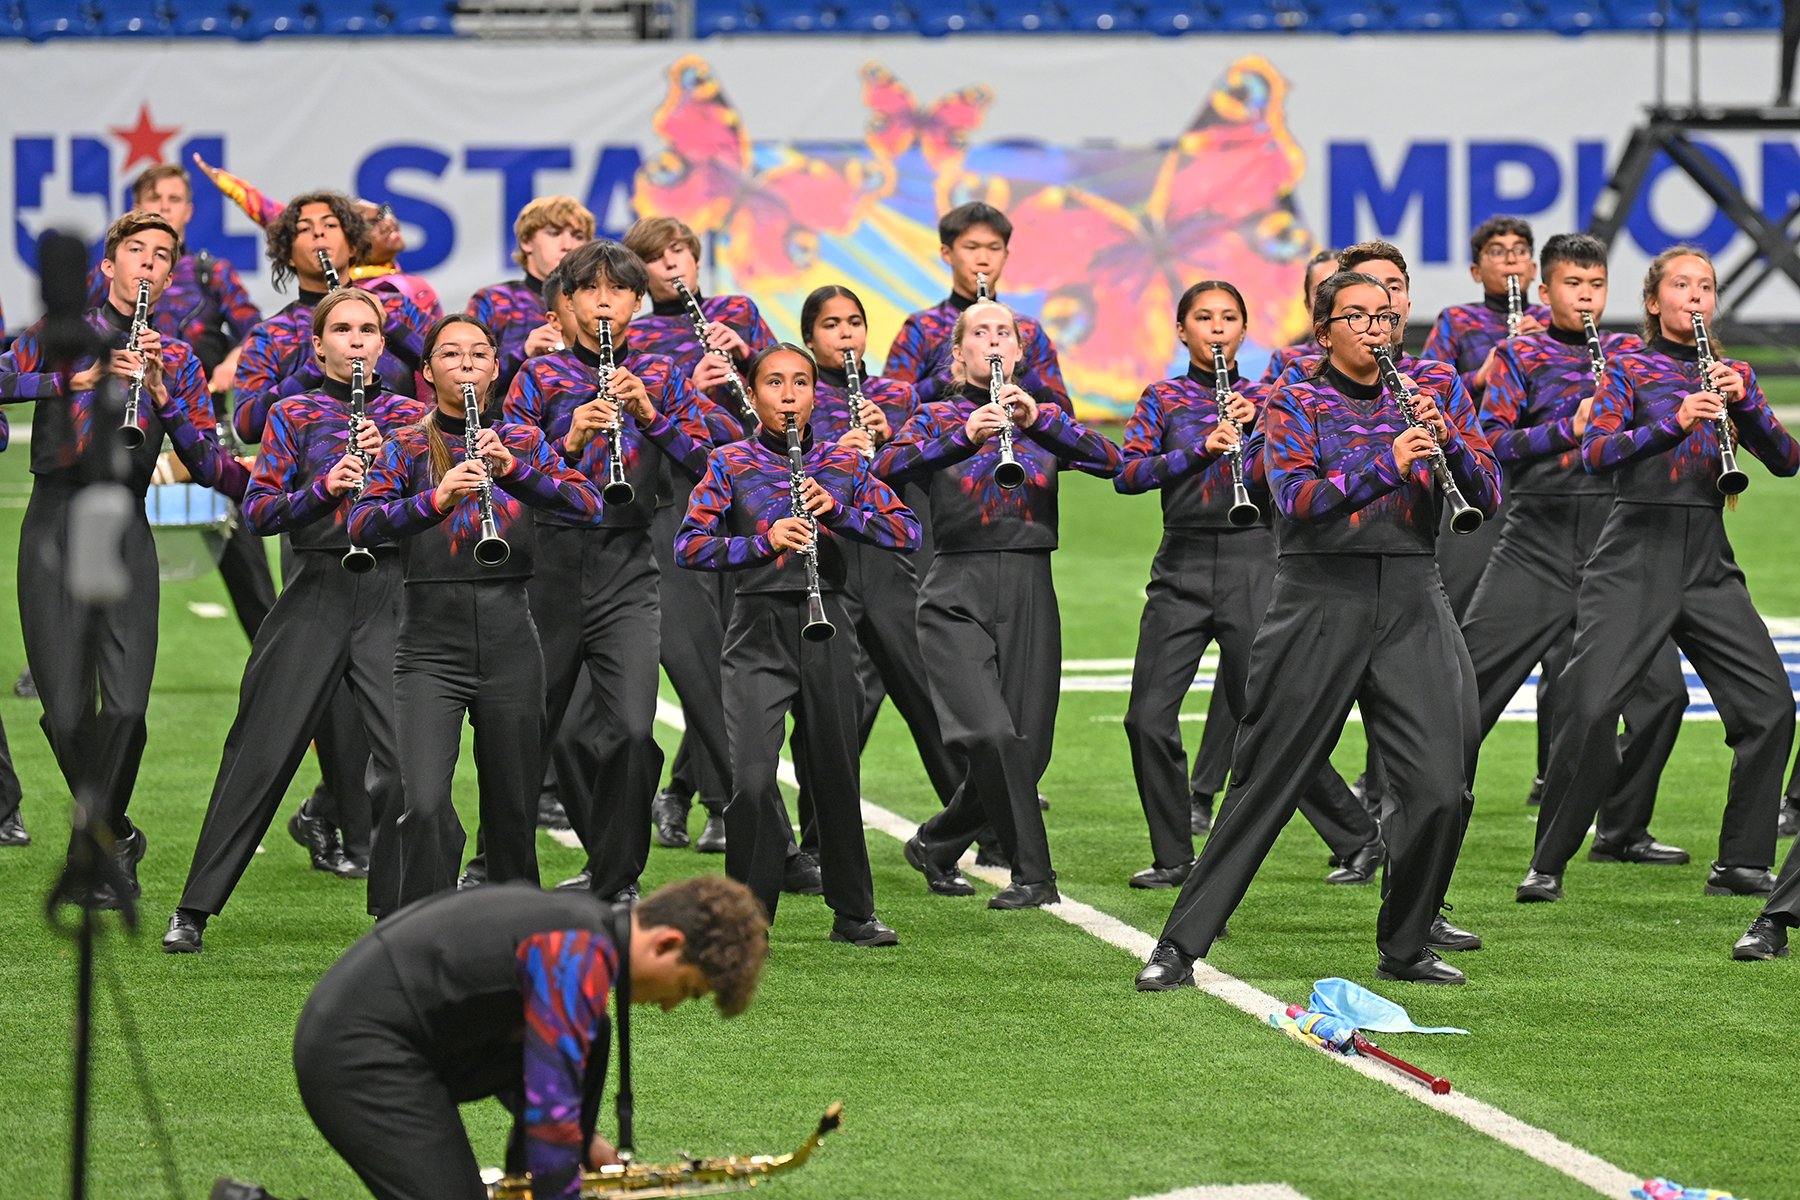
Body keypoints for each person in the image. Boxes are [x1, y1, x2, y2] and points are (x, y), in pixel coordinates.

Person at [1135, 270, 1501, 990]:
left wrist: (1451, 442)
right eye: (1356, 316)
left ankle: (1404, 945)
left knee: (1441, 785)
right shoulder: (1294, 396)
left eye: (1386, 317)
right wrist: (1384, 463)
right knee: (1266, 778)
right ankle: (1179, 945)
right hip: (1315, 595)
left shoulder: (1438, 390)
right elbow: (1295, 500)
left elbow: (1486, 494)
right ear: (1323, 327)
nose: (1374, 328)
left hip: (1412, 595)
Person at [1519, 246, 1799, 912]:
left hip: (1707, 560)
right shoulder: (1628, 367)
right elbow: (1593, 453)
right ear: (1654, 302)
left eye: (1705, 286)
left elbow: (1786, 462)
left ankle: (1742, 862)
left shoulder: (1734, 374)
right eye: (1682, 284)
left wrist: (1749, 406)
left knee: (1769, 710)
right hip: (1632, 553)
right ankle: (1547, 862)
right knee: (1588, 710)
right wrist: (1671, 425)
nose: (1696, 296)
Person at [210, 875, 768, 1200]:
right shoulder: (576, 953)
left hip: (414, 1045)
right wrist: (563, 1169)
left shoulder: (586, 934)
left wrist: (579, 1146)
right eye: (688, 990)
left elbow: (545, 1088)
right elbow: (549, 1123)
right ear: (667, 945)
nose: (672, 1006)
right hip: (359, 1051)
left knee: (593, 1034)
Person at [163, 289, 427, 953]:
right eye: (342, 328)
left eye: (369, 329)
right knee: (259, 748)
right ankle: (193, 909)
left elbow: (435, 509)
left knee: (406, 763)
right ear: (319, 346)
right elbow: (258, 511)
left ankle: (394, 911)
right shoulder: (293, 411)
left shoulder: (410, 417)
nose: (357, 340)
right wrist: (323, 489)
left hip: (391, 596)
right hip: (315, 593)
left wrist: (391, 463)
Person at [0, 211, 249, 903]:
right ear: (107, 265)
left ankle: (103, 839)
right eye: (134, 250)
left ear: (169, 276)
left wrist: (165, 395)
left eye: (160, 255)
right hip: (54, 519)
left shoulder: (178, 359)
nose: (146, 262)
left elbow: (206, 464)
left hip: (126, 525)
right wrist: (69, 384)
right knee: (66, 713)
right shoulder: (60, 339)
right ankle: (114, 835)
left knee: (129, 709)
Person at [1116, 280, 1381, 893]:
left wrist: (1256, 432)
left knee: (1268, 718)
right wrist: (1197, 450)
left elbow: (1298, 477)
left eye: (1229, 318)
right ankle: (1174, 856)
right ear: (1181, 330)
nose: (1216, 329)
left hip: (1255, 563)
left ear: (1243, 331)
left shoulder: (1273, 398)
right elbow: (1128, 474)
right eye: (1203, 319)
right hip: (1179, 566)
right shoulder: (1162, 398)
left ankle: (1356, 836)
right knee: (1146, 717)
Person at [349, 313, 604, 906]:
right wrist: (434, 500)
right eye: (449, 354)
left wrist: (517, 472)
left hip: (511, 635)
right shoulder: (408, 443)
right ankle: (421, 934)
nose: (465, 363)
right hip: (428, 646)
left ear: (495, 367)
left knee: (513, 810)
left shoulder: (521, 440)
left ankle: (514, 942)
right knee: (427, 804)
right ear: (427, 370)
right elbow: (363, 522)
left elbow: (589, 503)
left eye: (478, 354)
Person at [877, 301, 1122, 908]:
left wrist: (1041, 423)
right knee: (990, 733)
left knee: (1028, 749)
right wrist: (961, 438)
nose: (992, 340)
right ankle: (1034, 874)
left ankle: (936, 843)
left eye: (1003, 332)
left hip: (1031, 583)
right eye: (978, 332)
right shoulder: (933, 414)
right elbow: (883, 468)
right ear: (957, 354)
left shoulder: (1044, 418)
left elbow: (1114, 462)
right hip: (955, 586)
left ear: (1019, 352)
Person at [676, 343, 920, 943]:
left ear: (817, 392)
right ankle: (744, 920)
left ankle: (854, 912)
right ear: (753, 393)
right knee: (754, 780)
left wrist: (840, 512)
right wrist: (762, 542)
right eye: (775, 384)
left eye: (801, 383)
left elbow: (907, 531)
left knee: (836, 771)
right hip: (757, 631)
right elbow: (688, 546)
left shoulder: (844, 463)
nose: (789, 395)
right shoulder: (730, 461)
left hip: (829, 624)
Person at [1462, 233, 1690, 874]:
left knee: (1663, 696)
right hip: (1536, 536)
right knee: (1469, 689)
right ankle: (1411, 817)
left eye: (1596, 287)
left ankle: (1620, 827)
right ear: (1546, 290)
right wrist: (1571, 426)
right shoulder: (1518, 354)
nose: (1585, 298)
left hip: (1619, 539)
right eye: (1572, 286)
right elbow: (1491, 443)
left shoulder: (1629, 355)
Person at [503, 240, 714, 900]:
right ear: (565, 303)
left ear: (637, 302)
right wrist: (568, 439)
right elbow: (509, 471)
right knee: (541, 731)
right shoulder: (536, 378)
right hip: (552, 565)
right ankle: (502, 870)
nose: (604, 301)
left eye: (618, 290)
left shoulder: (661, 378)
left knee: (628, 731)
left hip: (628, 564)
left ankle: (616, 877)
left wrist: (650, 417)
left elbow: (712, 465)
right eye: (589, 290)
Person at [232, 191, 432, 868]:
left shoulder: (385, 312)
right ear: (286, 250)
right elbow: (249, 423)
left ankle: (357, 823)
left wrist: (367, 325)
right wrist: (311, 357)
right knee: (332, 685)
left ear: (354, 242)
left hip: (393, 518)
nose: (319, 238)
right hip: (314, 521)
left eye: (331, 228)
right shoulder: (273, 333)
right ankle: (349, 825)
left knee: (387, 683)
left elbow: (432, 366)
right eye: (304, 230)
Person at [625, 216, 777, 856]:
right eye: (658, 257)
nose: (674, 265)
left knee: (735, 654)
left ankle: (684, 791)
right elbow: (656, 423)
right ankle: (722, 805)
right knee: (699, 657)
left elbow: (786, 378)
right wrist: (693, 389)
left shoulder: (734, 311)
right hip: (677, 498)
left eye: (682, 252)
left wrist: (744, 356)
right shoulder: (636, 336)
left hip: (744, 497)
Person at [797, 284, 961, 833]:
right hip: (828, 565)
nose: (846, 334)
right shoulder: (798, 396)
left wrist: (889, 445)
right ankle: (818, 840)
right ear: (808, 336)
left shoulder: (896, 395)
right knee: (833, 707)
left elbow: (925, 472)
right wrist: (834, 454)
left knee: (927, 696)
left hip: (889, 562)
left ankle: (965, 833)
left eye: (854, 322)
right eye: (831, 324)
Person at [88, 162, 274, 642]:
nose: (164, 207)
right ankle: (55, 662)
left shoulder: (211, 272)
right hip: (123, 428)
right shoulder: (106, 277)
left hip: (200, 425)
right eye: (155, 199)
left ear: (188, 211)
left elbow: (257, 332)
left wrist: (235, 360)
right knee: (100, 548)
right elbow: (76, 334)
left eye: (173, 200)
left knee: (248, 570)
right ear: (137, 209)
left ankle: (281, 667)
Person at [1420, 217, 1550, 620]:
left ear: (1533, 268)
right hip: (1479, 468)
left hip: (1542, 468)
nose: (1510, 261)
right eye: (1497, 252)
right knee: (1462, 586)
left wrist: (1544, 349)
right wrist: (1484, 373)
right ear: (1477, 271)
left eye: (1520, 252)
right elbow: (1425, 392)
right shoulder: (1456, 320)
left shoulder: (1553, 324)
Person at [882, 202, 1069, 405]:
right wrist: (953, 374)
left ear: (1005, 255)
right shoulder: (921, 327)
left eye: (994, 248)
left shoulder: (1029, 331)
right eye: (971, 247)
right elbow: (891, 407)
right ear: (947, 254)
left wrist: (1018, 366)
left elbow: (1064, 413)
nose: (983, 259)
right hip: (946, 436)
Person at [466, 195, 594, 396]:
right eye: (554, 233)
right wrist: (523, 353)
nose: (568, 245)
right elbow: (464, 381)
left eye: (578, 236)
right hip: (505, 423)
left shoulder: (598, 305)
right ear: (526, 241)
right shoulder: (494, 301)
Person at [351, 199, 444, 322]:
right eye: (372, 223)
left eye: (385, 212)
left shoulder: (408, 281)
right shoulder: (361, 296)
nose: (388, 223)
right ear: (349, 246)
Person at [1258, 247, 1340, 385]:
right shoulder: (1285, 360)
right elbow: (1263, 404)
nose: (1330, 299)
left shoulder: (1376, 355)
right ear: (1307, 304)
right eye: (1320, 291)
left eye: (1339, 288)